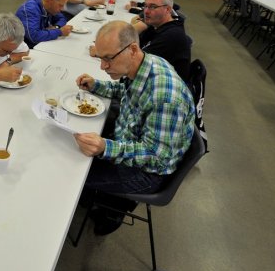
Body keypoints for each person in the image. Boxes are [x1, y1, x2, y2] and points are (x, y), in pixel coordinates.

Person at [74, 21, 195, 235]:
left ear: (132, 49)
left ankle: (111, 211)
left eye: (108, 58)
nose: (103, 66)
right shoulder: (142, 65)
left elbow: (156, 157)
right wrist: (96, 85)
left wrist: (106, 147)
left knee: (74, 171)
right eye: (100, 58)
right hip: (132, 140)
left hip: (147, 173)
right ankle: (98, 198)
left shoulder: (165, 97)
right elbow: (128, 91)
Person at [131, 0, 191, 80]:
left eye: (153, 7)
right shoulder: (155, 25)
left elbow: (137, 63)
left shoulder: (172, 36)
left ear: (168, 10)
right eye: (145, 6)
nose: (146, 11)